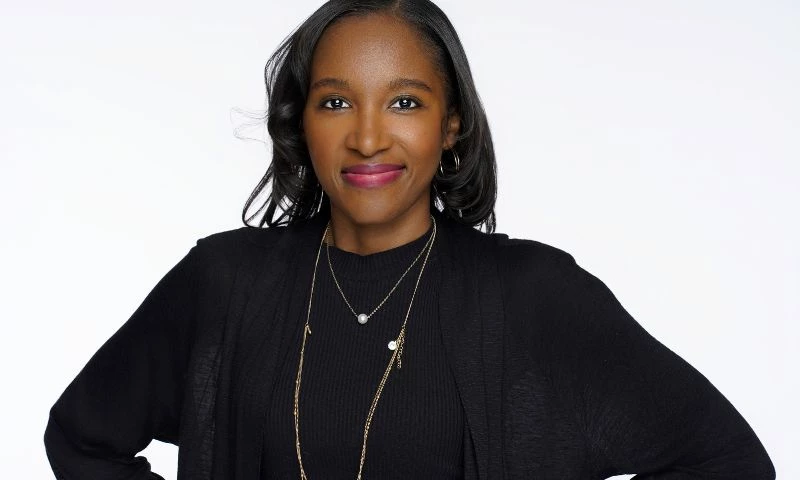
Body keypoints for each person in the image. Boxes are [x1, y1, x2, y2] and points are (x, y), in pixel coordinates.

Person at [44, 0, 776, 479]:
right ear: (302, 121)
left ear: (450, 124)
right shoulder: (225, 282)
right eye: (336, 101)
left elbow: (726, 462)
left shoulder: (532, 295)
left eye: (404, 102)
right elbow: (82, 437)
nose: (367, 137)